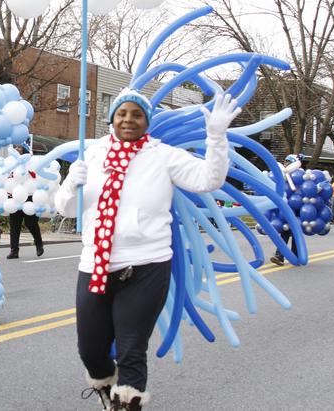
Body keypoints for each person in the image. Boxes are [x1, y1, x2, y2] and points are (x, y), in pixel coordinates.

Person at [54, 89, 240, 410]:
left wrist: (216, 136)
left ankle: (127, 403)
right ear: (112, 118)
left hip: (147, 266)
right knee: (90, 350)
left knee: (131, 348)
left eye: (137, 114)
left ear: (147, 120)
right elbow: (66, 209)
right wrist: (71, 183)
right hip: (96, 264)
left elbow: (209, 179)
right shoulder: (93, 155)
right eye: (122, 113)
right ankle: (106, 386)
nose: (129, 119)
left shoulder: (163, 156)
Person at [270, 154, 303, 266]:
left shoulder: (299, 174)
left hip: (297, 208)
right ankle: (279, 256)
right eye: (284, 161)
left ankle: (296, 256)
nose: (285, 163)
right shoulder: (282, 174)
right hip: (285, 207)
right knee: (285, 231)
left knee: (295, 233)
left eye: (287, 161)